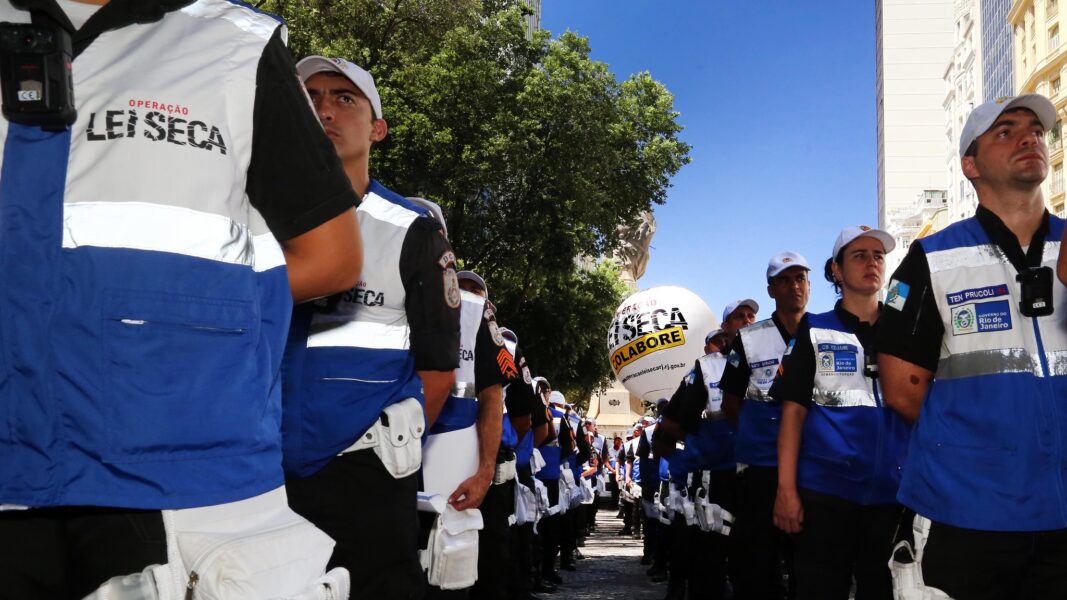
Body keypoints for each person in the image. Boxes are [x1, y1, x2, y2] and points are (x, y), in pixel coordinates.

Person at [0, 1, 364, 598]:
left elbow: (333, 256)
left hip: (175, 464)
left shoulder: (233, 42)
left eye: (345, 98)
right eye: (320, 93)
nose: (328, 106)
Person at [281, 56, 461, 600]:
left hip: (367, 471)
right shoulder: (254, 218)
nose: (325, 110)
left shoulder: (413, 231)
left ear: (377, 129)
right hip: (263, 466)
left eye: (344, 99)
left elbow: (438, 371)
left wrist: (388, 457)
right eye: (310, 98)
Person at [879, 94, 1067, 599]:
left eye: (1036, 130)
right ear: (971, 164)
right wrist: (988, 446)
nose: (1029, 137)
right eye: (1005, 131)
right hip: (967, 510)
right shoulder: (931, 258)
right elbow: (901, 390)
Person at [771, 226, 909, 600]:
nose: (872, 263)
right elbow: (793, 414)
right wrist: (786, 491)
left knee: (885, 591)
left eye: (878, 256)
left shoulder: (905, 330)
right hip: (825, 495)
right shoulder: (814, 330)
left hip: (892, 498)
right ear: (837, 270)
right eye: (859, 256)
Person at [719, 251, 811, 600]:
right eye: (785, 280)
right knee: (758, 563)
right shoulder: (749, 338)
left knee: (810, 562)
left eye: (800, 278)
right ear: (771, 289)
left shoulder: (822, 330)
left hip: (812, 465)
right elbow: (731, 402)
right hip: (762, 468)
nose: (794, 286)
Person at [656, 325, 748, 600]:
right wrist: (693, 450)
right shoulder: (698, 376)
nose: (721, 345)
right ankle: (678, 587)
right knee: (694, 547)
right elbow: (666, 433)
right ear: (706, 348)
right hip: (700, 480)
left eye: (724, 340)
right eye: (715, 342)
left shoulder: (749, 367)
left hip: (742, 473)